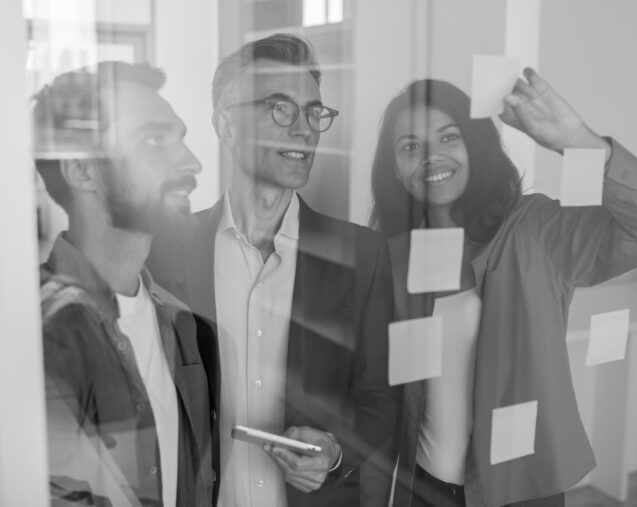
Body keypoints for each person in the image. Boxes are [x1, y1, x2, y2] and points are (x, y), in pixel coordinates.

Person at [369, 71, 637, 507]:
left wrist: (578, 141)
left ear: (475, 145)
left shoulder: (533, 230)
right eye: (411, 147)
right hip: (419, 487)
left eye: (449, 138)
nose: (431, 157)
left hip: (516, 491)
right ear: (395, 167)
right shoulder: (391, 256)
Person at [147, 33, 399, 506]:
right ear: (226, 125)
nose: (304, 128)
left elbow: (381, 397)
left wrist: (335, 450)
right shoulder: (165, 253)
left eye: (313, 112)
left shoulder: (363, 255)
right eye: (279, 108)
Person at [33, 61, 216, 506]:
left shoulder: (182, 325)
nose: (192, 162)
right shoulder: (41, 335)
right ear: (82, 170)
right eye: (153, 141)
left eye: (181, 138)